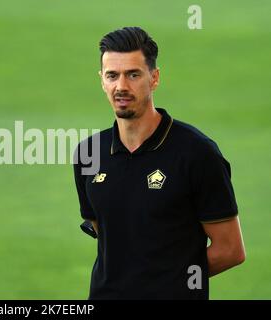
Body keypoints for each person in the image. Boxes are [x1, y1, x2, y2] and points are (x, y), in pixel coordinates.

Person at [73, 27, 246, 299]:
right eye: (112, 75)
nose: (121, 86)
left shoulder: (198, 153)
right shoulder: (88, 153)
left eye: (133, 74)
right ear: (102, 81)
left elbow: (230, 250)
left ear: (154, 78)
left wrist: (167, 284)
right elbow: (105, 234)